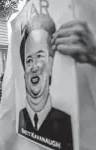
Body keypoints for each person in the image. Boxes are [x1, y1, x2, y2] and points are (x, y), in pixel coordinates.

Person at [18, 14, 73, 150]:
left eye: (40, 56)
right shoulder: (20, 117)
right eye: (29, 60)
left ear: (51, 64)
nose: (34, 66)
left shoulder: (68, 122)